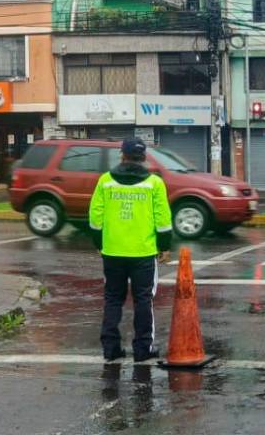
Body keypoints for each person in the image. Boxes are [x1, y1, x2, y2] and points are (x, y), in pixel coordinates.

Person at [88, 137, 173, 362]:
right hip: (143, 252)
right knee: (143, 299)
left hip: (113, 251)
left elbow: (95, 217)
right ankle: (143, 349)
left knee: (113, 299)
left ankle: (111, 348)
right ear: (143, 157)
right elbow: (163, 219)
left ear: (122, 155)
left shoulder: (106, 181)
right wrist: (164, 246)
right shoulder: (154, 183)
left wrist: (99, 243)